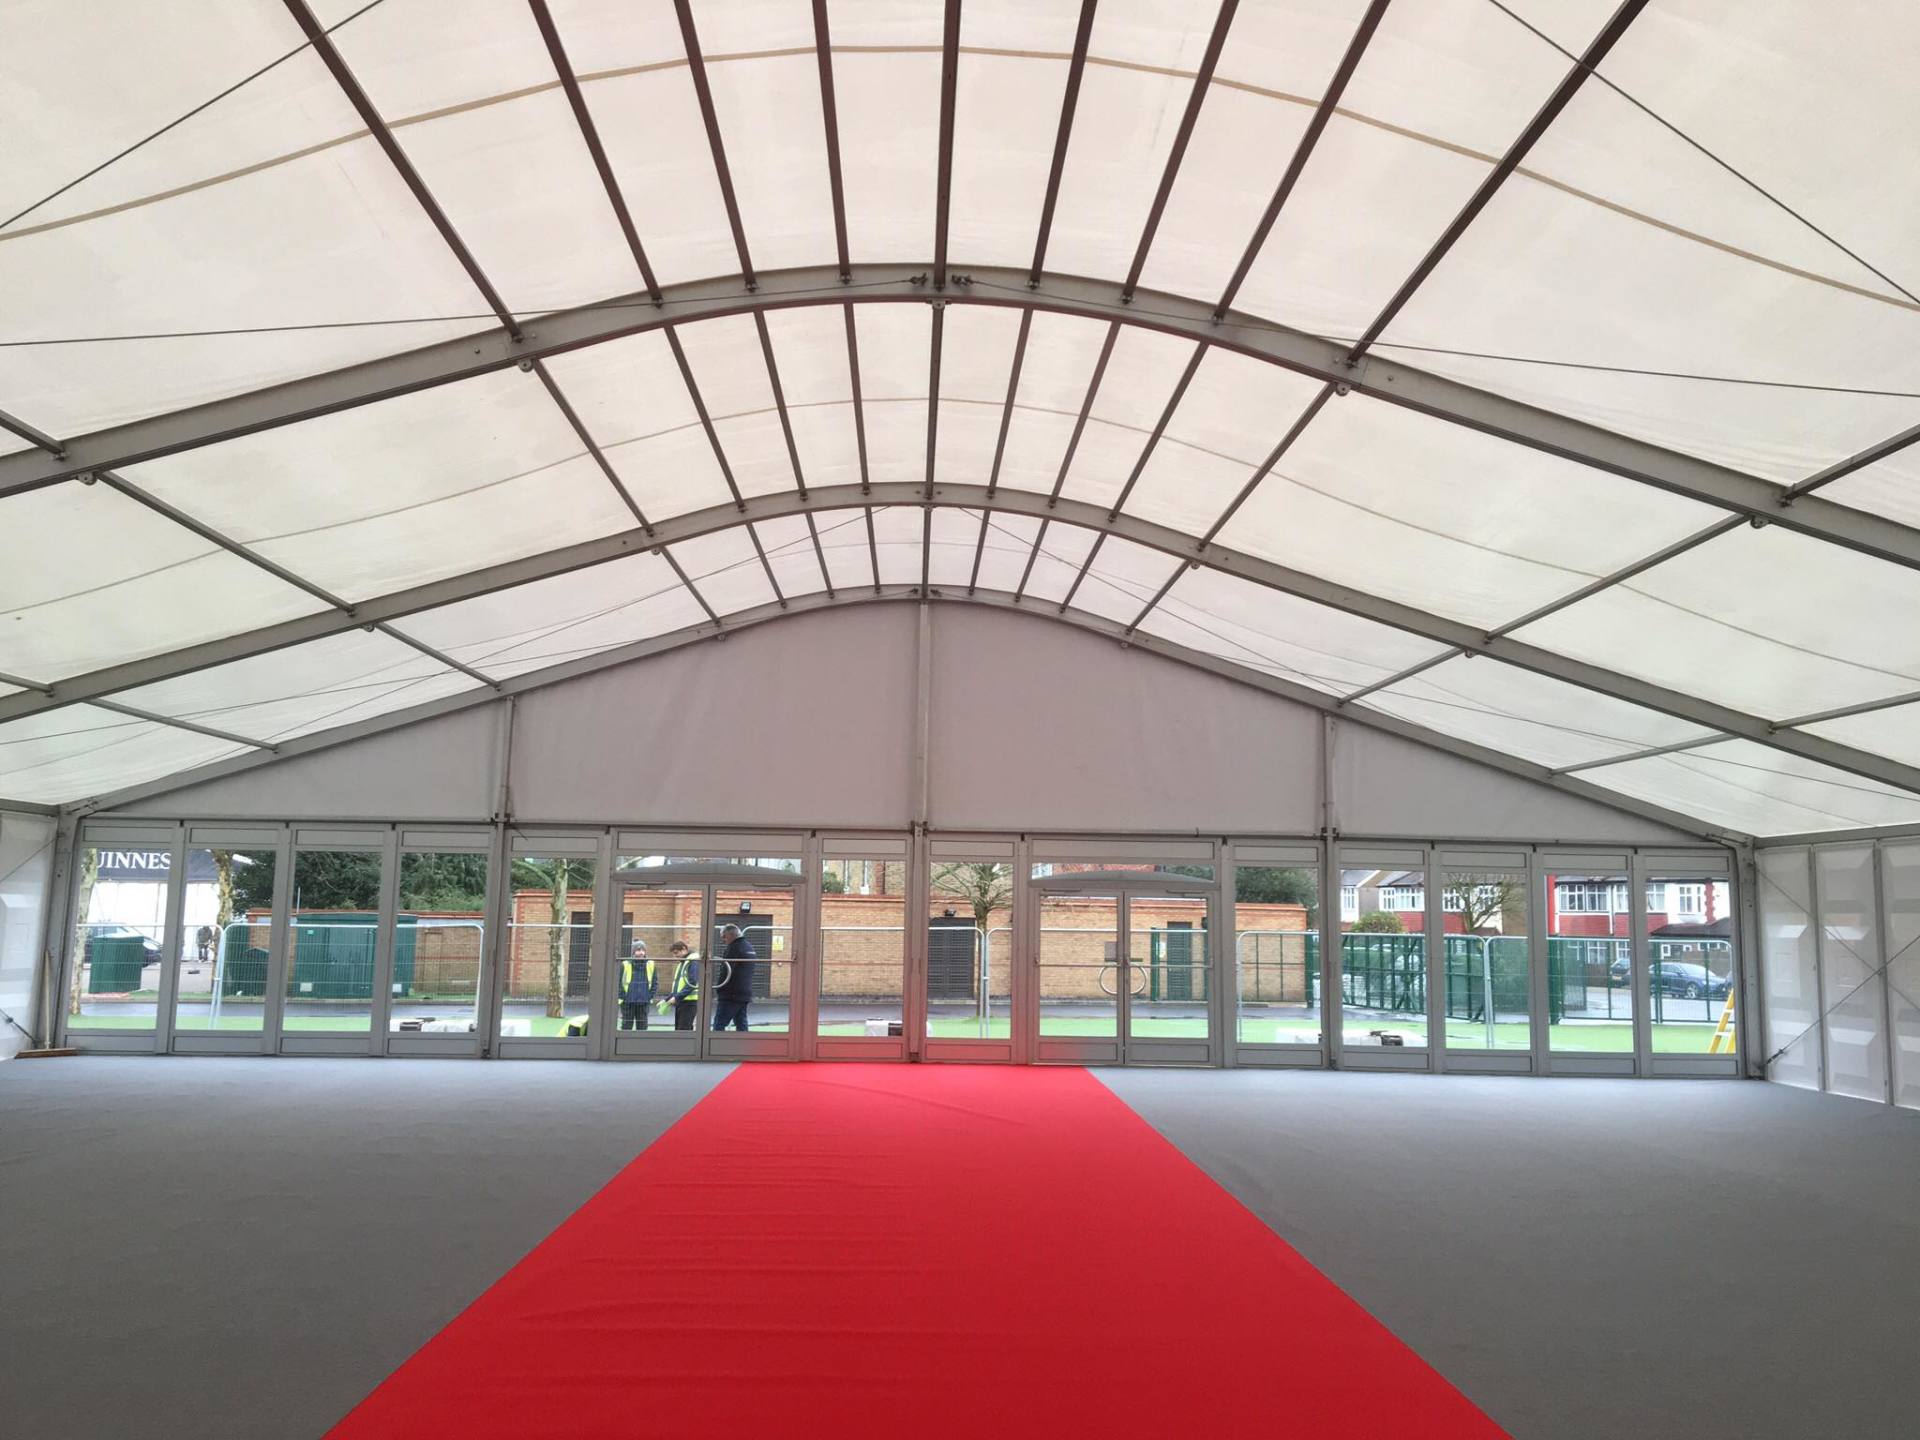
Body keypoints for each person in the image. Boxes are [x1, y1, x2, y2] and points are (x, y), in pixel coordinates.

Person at [711, 922, 757, 1032]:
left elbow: (726, 971)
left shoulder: (733, 948)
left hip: (731, 994)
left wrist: (719, 988)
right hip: (744, 992)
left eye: (724, 937)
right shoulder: (749, 947)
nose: (723, 940)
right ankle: (742, 1046)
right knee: (741, 1023)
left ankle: (715, 1047)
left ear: (731, 935)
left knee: (719, 1024)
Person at [659, 941, 700, 1031]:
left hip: (689, 1002)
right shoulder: (684, 962)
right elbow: (678, 987)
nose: (675, 956)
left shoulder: (692, 961)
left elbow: (692, 982)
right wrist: (666, 999)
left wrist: (676, 997)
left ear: (684, 949)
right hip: (683, 1001)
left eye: (676, 953)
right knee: (680, 1029)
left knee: (683, 1029)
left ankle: (685, 1045)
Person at [617, 941, 654, 1031]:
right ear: (633, 952)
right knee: (626, 1026)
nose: (641, 952)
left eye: (643, 950)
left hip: (643, 1002)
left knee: (642, 1027)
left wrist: (649, 997)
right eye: (638, 950)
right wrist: (624, 997)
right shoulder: (625, 964)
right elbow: (618, 982)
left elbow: (654, 982)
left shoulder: (650, 964)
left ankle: (641, 1045)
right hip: (628, 1002)